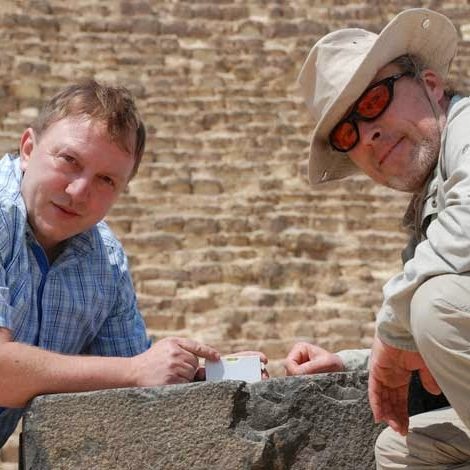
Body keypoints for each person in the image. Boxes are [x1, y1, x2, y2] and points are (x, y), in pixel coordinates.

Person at [0, 80, 267, 449]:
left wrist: (220, 374)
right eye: (69, 161)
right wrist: (134, 371)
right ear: (28, 148)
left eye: (105, 180)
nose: (78, 191)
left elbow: (136, 380)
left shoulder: (105, 259)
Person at [295, 7, 470, 468]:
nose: (368, 133)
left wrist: (393, 329)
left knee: (435, 303)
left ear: (431, 84)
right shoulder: (431, 205)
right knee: (400, 451)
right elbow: (413, 332)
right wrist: (355, 362)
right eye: (347, 133)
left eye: (373, 101)